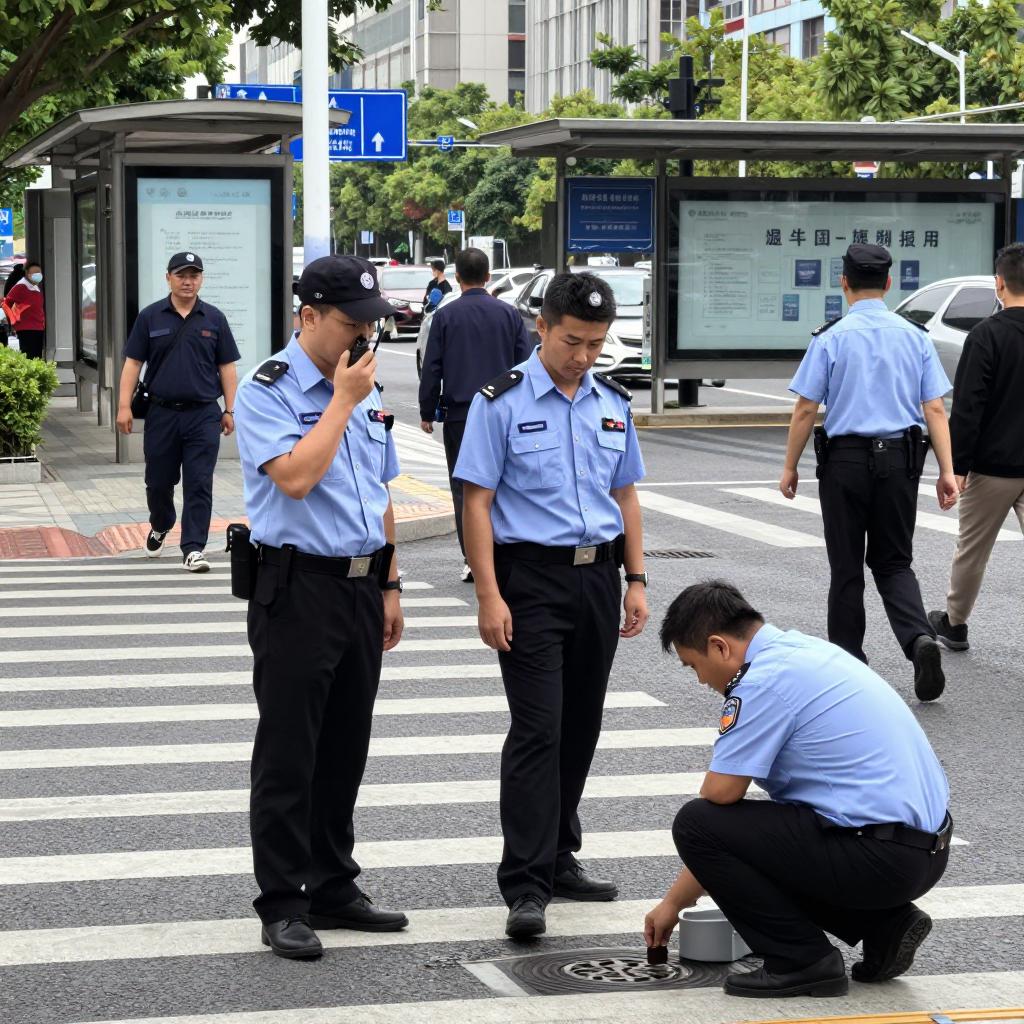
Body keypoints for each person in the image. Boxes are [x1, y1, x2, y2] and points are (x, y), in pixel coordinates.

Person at [454, 272, 650, 939]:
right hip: (529, 581)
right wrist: (488, 592)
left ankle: (561, 856)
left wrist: (638, 578)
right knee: (538, 729)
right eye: (573, 340)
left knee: (580, 726)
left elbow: (626, 496)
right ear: (542, 327)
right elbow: (475, 501)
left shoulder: (611, 401)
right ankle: (525, 883)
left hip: (596, 579)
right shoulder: (499, 402)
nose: (584, 356)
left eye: (596, 343)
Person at [645, 580, 951, 999]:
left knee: (697, 823)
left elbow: (717, 802)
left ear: (719, 647)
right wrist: (673, 903)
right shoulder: (807, 651)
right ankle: (883, 926)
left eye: (693, 665)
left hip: (881, 858)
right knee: (764, 832)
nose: (700, 681)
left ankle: (802, 961)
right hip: (926, 852)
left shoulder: (761, 682)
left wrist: (673, 903)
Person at [233, 255, 408, 960]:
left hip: (361, 585)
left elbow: (383, 489)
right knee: (289, 752)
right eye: (350, 323)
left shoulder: (359, 382)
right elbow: (298, 480)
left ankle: (334, 883)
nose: (364, 336)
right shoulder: (268, 389)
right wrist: (339, 400)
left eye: (372, 323)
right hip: (297, 587)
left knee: (345, 747)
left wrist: (391, 585)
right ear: (308, 318)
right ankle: (282, 900)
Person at [779, 243, 958, 702]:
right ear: (889, 284)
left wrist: (790, 467)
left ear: (844, 283)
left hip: (845, 462)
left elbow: (805, 408)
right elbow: (934, 407)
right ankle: (918, 639)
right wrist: (947, 472)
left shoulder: (831, 337)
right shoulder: (914, 336)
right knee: (895, 561)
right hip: (900, 460)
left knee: (846, 567)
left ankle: (848, 663)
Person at [116, 253, 239, 572]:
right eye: (182, 275)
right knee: (158, 482)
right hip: (162, 414)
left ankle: (194, 548)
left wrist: (229, 409)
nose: (188, 281)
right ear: (168, 277)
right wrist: (123, 405)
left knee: (199, 482)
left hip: (203, 415)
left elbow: (227, 367)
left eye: (194, 275)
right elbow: (132, 363)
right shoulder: (150, 317)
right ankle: (161, 523)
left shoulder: (214, 318)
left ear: (201, 279)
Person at [418, 247, 533, 580]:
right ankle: (504, 551)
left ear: (456, 277)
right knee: (505, 483)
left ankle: (473, 558)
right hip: (506, 414)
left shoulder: (445, 316)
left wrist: (427, 409)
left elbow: (432, 367)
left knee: (464, 487)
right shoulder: (508, 315)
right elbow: (525, 364)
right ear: (488, 276)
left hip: (461, 415)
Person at [5, 260, 46, 359]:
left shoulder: (35, 287)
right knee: (30, 356)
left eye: (39, 272)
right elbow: (7, 303)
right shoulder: (21, 286)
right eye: (34, 273)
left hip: (38, 327)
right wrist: (12, 319)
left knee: (37, 357)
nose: (37, 275)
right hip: (27, 328)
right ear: (27, 274)